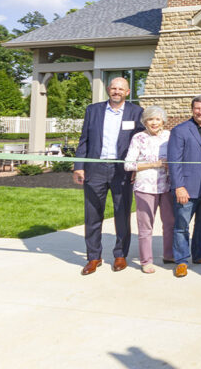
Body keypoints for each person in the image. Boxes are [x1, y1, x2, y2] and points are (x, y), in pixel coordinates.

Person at [74, 77, 144, 275]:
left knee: (122, 213)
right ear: (108, 89)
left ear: (128, 92)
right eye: (113, 88)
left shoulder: (136, 112)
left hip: (122, 171)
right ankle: (93, 257)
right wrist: (79, 166)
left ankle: (120, 255)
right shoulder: (93, 110)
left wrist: (135, 169)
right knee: (93, 214)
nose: (116, 91)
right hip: (95, 169)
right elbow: (84, 140)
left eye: (121, 89)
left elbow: (140, 143)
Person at [167, 95, 201, 277]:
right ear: (192, 109)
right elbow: (174, 161)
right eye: (197, 108)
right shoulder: (180, 130)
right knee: (182, 226)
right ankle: (181, 260)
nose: (200, 111)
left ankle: (199, 254)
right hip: (187, 188)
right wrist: (179, 186)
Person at [124, 105, 174, 273]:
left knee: (169, 223)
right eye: (150, 119)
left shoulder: (169, 136)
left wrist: (169, 165)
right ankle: (146, 261)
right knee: (146, 226)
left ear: (163, 121)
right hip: (145, 188)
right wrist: (154, 164)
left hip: (166, 187)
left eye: (158, 119)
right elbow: (128, 164)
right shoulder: (138, 138)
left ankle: (169, 254)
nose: (154, 123)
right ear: (145, 121)